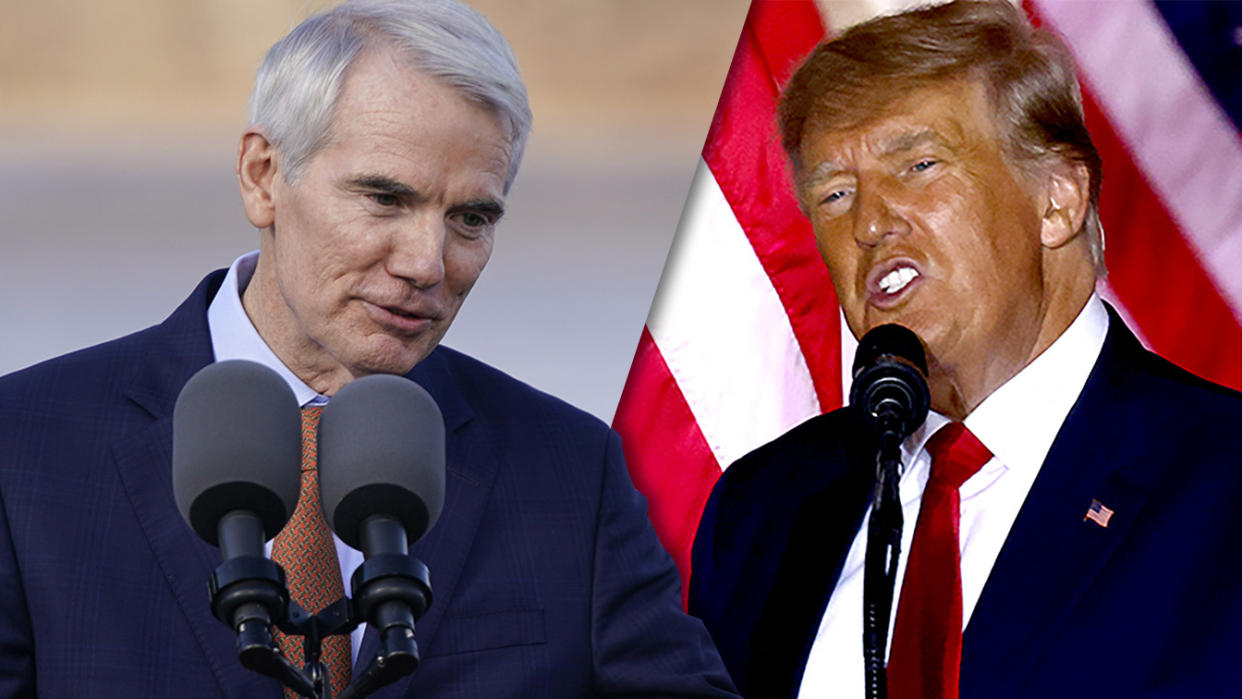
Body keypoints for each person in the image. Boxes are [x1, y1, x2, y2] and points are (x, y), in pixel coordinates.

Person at [0, 0, 737, 696]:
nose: (427, 261)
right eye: (386, 198)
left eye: (471, 217)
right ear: (263, 177)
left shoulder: (571, 473)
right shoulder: (25, 448)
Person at [688, 1, 1242, 697]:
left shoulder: (1222, 480)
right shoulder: (762, 510)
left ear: (1058, 201)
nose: (870, 221)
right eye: (834, 194)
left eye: (918, 163)